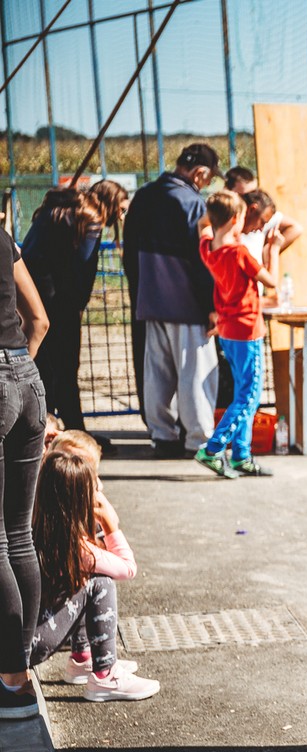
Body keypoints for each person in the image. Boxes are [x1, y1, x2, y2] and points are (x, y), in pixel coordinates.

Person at [28, 448, 159, 702]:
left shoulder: (38, 532)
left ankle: (84, 658)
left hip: (24, 640)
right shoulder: (77, 551)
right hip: (34, 644)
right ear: (79, 500)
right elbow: (127, 568)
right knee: (100, 583)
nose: (99, 489)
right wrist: (111, 525)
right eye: (94, 488)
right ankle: (105, 676)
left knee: (82, 581)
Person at [122, 142, 222, 459]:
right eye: (208, 178)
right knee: (195, 372)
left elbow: (128, 254)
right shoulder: (192, 203)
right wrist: (212, 304)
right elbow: (203, 259)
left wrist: (141, 292)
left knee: (157, 372)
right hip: (187, 302)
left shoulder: (144, 196)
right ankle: (199, 439)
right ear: (200, 173)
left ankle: (162, 436)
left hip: (150, 299)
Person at [23, 180, 128, 436]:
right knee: (66, 369)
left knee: (45, 369)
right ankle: (72, 431)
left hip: (34, 299)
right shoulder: (89, 219)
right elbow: (83, 266)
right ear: (111, 204)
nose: (121, 216)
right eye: (121, 209)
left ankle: (49, 427)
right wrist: (77, 305)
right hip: (60, 304)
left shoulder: (59, 212)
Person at [0, 226, 50, 720]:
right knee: (18, 534)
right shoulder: (3, 235)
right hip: (26, 375)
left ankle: (11, 683)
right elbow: (40, 319)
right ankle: (20, 673)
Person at [195, 191, 276, 478]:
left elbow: (204, 226)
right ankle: (213, 448)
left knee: (244, 393)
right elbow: (271, 280)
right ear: (234, 220)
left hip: (228, 330)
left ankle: (241, 454)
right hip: (247, 330)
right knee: (249, 395)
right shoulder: (240, 254)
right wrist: (273, 249)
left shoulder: (208, 249)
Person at [239, 189, 303, 290]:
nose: (261, 229)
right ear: (252, 209)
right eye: (262, 222)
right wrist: (274, 248)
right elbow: (271, 281)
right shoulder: (238, 250)